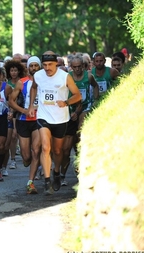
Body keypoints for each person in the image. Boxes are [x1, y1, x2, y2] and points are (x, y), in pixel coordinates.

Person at [27, 51, 82, 195]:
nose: (47, 68)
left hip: (60, 119)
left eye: (50, 64)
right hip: (43, 116)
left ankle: (56, 172)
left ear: (56, 63)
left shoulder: (65, 77)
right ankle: (46, 180)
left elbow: (78, 95)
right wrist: (32, 105)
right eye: (44, 65)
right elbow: (34, 88)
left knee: (58, 151)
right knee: (45, 147)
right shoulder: (38, 75)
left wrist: (66, 102)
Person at [60, 55, 99, 185]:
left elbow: (95, 86)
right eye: (74, 67)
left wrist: (95, 100)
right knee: (66, 149)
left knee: (80, 134)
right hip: (70, 111)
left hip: (84, 107)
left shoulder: (88, 76)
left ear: (84, 66)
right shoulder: (67, 77)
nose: (77, 69)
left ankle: (82, 170)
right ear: (71, 67)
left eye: (79, 67)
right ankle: (62, 175)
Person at [8, 56, 42, 194]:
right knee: (26, 156)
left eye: (36, 66)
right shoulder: (22, 83)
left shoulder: (45, 82)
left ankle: (31, 182)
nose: (34, 68)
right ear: (28, 67)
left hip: (39, 120)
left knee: (36, 151)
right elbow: (11, 100)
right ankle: (30, 163)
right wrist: (24, 111)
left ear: (39, 67)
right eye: (31, 66)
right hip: (23, 120)